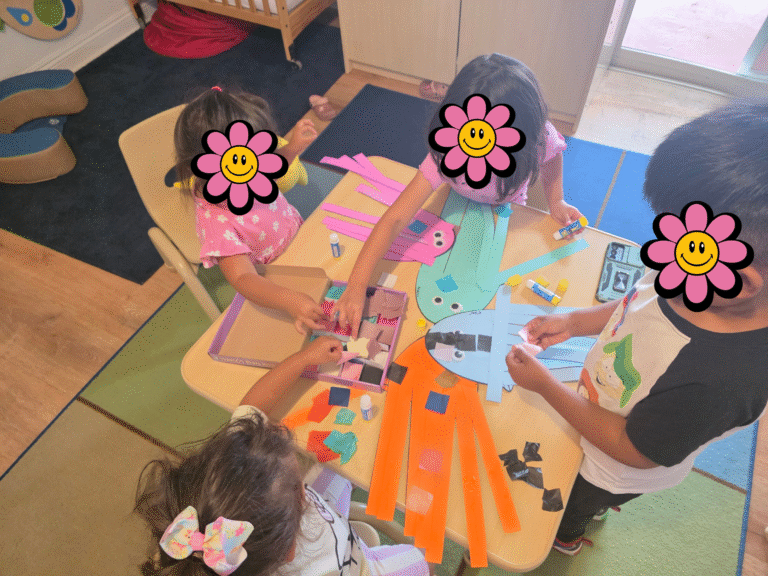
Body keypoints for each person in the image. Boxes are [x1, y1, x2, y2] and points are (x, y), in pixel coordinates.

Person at [505, 99, 768, 556]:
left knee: (575, 503)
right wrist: (575, 321)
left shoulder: (723, 383)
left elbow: (635, 450)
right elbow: (637, 302)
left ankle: (568, 538)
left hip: (614, 467)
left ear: (740, 280)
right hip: (604, 401)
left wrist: (546, 386)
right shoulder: (695, 271)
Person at [334, 53, 584, 337]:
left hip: (507, 216)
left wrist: (556, 200)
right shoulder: (446, 153)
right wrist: (356, 286)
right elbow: (394, 219)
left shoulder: (539, 137)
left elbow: (552, 156)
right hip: (451, 210)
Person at [135, 335, 430, 576]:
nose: (279, 434)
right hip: (362, 567)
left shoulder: (234, 464)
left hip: (322, 527)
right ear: (289, 549)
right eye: (299, 482)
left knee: (339, 467)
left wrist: (303, 358)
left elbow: (252, 407)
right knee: (418, 561)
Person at [174, 86, 325, 334]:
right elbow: (243, 279)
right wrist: (289, 300)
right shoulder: (216, 220)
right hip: (274, 276)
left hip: (298, 235)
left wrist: (292, 148)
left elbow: (271, 167)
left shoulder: (242, 166)